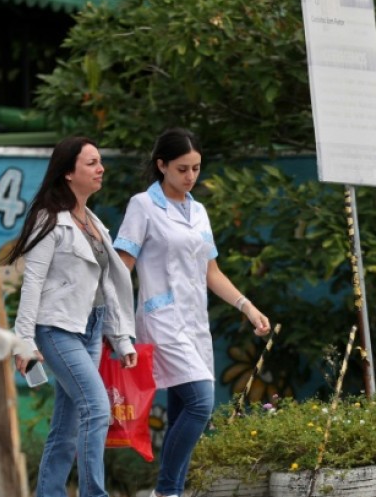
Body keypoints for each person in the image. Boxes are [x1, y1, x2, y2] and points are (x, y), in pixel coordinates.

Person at [113, 128, 271, 497]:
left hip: (196, 322)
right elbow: (123, 266)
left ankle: (174, 491)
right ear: (162, 165)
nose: (191, 176)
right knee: (201, 403)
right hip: (161, 320)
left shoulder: (198, 210)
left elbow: (211, 272)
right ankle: (166, 491)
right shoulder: (143, 205)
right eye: (183, 169)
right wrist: (116, 326)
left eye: (197, 168)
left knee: (183, 407)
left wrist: (247, 307)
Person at [6, 135, 137, 497]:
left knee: (66, 426)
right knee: (96, 408)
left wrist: (121, 336)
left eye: (99, 162)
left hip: (91, 329)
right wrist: (24, 342)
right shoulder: (49, 219)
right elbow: (31, 282)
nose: (101, 168)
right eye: (91, 163)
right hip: (57, 329)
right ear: (68, 172)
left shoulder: (93, 222)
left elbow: (107, 286)